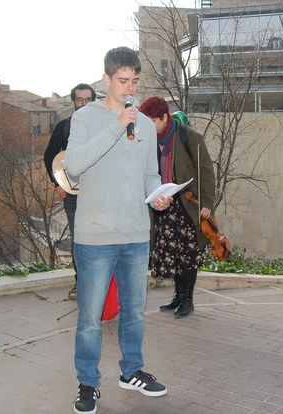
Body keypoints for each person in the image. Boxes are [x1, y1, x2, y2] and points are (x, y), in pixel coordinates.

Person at [65, 47, 171, 414]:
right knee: (91, 318)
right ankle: (88, 383)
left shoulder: (143, 124)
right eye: (123, 81)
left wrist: (156, 196)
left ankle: (132, 371)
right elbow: (74, 166)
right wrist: (117, 125)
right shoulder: (86, 119)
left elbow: (149, 174)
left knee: (135, 311)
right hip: (96, 236)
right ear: (106, 80)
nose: (130, 89)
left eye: (135, 81)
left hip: (136, 234)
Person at [139, 96, 215, 318]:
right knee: (172, 255)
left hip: (187, 207)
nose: (148, 126)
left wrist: (207, 203)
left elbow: (206, 172)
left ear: (164, 117)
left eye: (151, 120)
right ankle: (178, 296)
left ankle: (187, 300)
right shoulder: (149, 140)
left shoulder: (188, 137)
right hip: (163, 207)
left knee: (188, 256)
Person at [43, 83, 96, 301]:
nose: (83, 103)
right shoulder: (64, 127)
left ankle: (99, 283)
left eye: (88, 99)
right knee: (78, 239)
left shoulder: (102, 126)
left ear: (94, 100)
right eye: (79, 99)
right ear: (73, 101)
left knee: (99, 238)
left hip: (98, 193)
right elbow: (49, 156)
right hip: (73, 194)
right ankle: (80, 282)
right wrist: (58, 185)